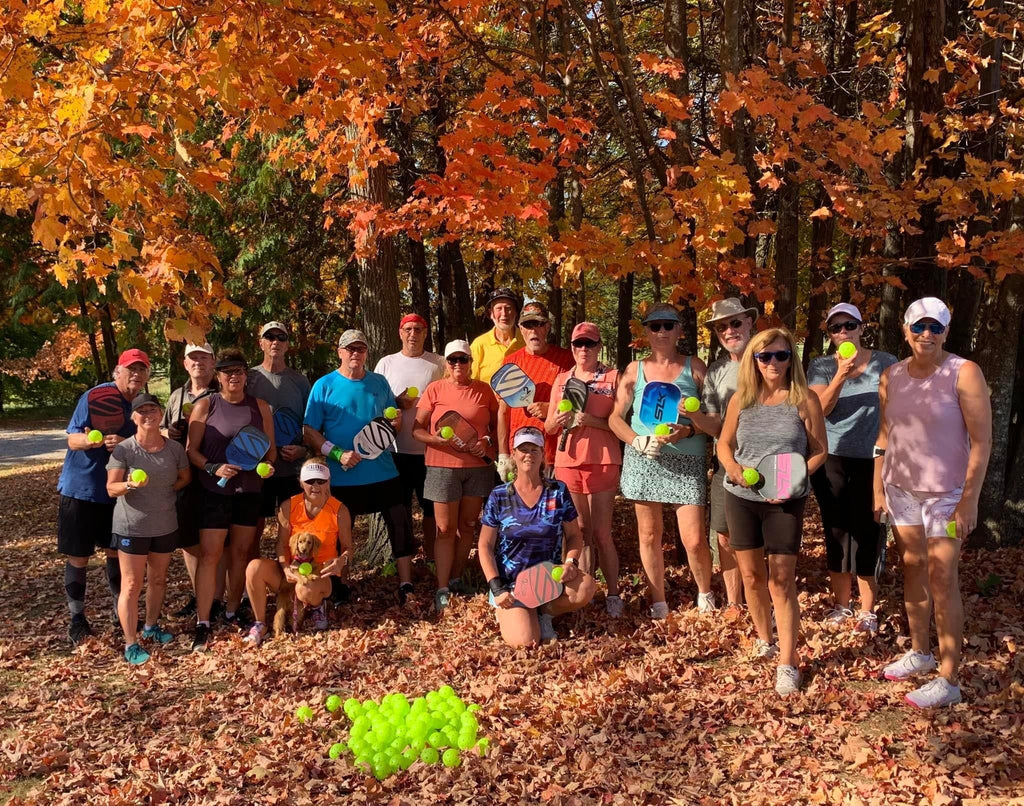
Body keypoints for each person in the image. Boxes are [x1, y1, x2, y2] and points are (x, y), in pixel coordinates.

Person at [874, 297, 991, 708]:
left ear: (946, 331)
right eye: (919, 327)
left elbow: (982, 440)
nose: (927, 335)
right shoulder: (891, 376)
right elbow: (885, 438)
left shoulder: (964, 373)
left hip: (948, 494)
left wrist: (969, 500)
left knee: (943, 577)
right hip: (901, 489)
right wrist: (878, 487)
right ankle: (920, 653)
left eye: (935, 328)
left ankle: (949, 678)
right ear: (906, 330)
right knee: (912, 568)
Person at [717, 328, 827, 697]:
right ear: (754, 361)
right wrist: (732, 470)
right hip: (741, 497)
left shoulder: (805, 399)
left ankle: (787, 661)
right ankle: (764, 639)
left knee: (781, 581)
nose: (773, 363)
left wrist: (793, 479)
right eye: (765, 357)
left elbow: (819, 451)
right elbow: (724, 445)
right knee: (751, 577)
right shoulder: (740, 400)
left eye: (781, 355)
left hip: (786, 501)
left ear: (791, 359)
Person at [609, 302, 713, 619]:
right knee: (649, 535)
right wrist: (636, 441)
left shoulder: (695, 367)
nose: (662, 331)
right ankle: (659, 602)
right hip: (645, 460)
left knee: (694, 539)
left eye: (669, 325)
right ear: (646, 333)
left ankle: (705, 595)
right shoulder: (633, 371)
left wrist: (690, 429)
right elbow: (615, 418)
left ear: (680, 330)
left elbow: (713, 419)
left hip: (687, 460)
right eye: (655, 326)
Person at [303, 329, 417, 604]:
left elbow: (391, 423)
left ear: (366, 353)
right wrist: (338, 453)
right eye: (350, 349)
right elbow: (309, 430)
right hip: (342, 477)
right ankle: (340, 587)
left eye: (360, 349)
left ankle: (406, 584)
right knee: (340, 535)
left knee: (400, 526)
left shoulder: (379, 382)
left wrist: (396, 423)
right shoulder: (324, 385)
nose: (355, 354)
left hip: (383, 471)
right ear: (340, 352)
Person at [808, 303, 897, 633]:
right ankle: (842, 606)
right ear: (829, 334)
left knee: (869, 531)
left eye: (849, 325)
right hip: (831, 458)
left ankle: (867, 611)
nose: (843, 332)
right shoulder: (821, 366)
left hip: (875, 460)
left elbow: (898, 409)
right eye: (835, 328)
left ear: (862, 328)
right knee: (836, 531)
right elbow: (818, 409)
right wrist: (841, 374)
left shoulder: (885, 362)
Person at [57, 348, 151, 645]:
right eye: (130, 369)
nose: (135, 374)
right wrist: (90, 440)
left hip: (116, 492)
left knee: (115, 553)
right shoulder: (95, 397)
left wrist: (124, 443)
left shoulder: (142, 406)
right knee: (79, 557)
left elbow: (147, 444)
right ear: (117, 373)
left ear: (148, 375)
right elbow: (72, 438)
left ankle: (117, 611)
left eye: (142, 369)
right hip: (81, 489)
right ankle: (77, 619)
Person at [186, 348, 276, 650]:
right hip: (213, 492)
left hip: (249, 492)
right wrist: (213, 467)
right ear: (219, 376)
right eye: (227, 372)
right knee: (210, 556)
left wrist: (266, 467)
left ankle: (232, 610)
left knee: (241, 554)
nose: (233, 376)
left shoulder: (260, 406)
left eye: (239, 370)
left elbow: (270, 451)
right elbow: (191, 452)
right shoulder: (205, 406)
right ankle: (203, 621)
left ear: (245, 375)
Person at [478, 427, 596, 646]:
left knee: (587, 587)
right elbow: (485, 545)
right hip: (510, 585)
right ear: (513, 454)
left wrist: (571, 562)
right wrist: (497, 587)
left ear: (543, 454)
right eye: (523, 449)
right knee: (526, 642)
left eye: (534, 449)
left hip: (549, 579)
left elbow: (574, 535)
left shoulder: (558, 490)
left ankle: (545, 614)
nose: (528, 454)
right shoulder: (499, 495)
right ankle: (508, 610)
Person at [543, 322, 623, 618]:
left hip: (603, 459)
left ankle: (613, 594)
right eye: (578, 344)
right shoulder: (562, 379)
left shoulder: (614, 377)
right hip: (567, 462)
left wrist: (587, 419)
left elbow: (619, 425)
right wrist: (559, 420)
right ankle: (583, 591)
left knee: (602, 533)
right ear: (572, 348)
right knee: (579, 532)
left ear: (599, 346)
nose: (583, 350)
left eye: (589, 344)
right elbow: (548, 427)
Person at [412, 339, 498, 612]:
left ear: (471, 362)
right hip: (441, 467)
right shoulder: (435, 389)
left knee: (470, 525)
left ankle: (457, 576)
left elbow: (496, 429)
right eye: (453, 360)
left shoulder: (484, 391)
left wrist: (485, 441)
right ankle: (442, 587)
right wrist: (436, 441)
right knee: (445, 529)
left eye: (463, 359)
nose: (458, 364)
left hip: (478, 469)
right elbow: (417, 429)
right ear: (446, 364)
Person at [106, 394, 190, 664]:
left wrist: (165, 492)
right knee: (131, 585)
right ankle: (131, 643)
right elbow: (111, 488)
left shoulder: (174, 449)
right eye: (141, 411)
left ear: (160, 413)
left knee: (158, 580)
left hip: (165, 524)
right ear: (134, 417)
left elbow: (184, 477)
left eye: (152, 409)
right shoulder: (124, 450)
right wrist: (130, 485)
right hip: (132, 527)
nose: (148, 414)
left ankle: (151, 627)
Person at [687, 298, 759, 611]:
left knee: (764, 538)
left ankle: (765, 598)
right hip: (727, 465)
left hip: (769, 465)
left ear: (749, 323)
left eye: (735, 323)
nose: (729, 331)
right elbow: (715, 425)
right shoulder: (716, 371)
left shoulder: (771, 359)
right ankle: (734, 602)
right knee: (725, 535)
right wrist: (693, 418)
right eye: (721, 328)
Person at [243, 459, 352, 645]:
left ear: (328, 482)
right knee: (254, 568)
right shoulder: (288, 506)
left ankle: (318, 606)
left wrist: (340, 562)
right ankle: (260, 623)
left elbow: (348, 548)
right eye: (310, 481)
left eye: (320, 481)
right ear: (301, 482)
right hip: (292, 569)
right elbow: (281, 544)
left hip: (321, 571)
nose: (315, 486)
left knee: (306, 587)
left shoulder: (339, 510)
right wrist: (285, 567)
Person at [374, 314, 446, 563]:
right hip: (395, 452)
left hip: (430, 451)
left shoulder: (439, 363)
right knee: (399, 510)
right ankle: (401, 561)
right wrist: (396, 403)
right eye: (408, 329)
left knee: (431, 510)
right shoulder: (386, 363)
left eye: (418, 329)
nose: (413, 334)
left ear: (426, 333)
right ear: (400, 333)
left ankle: (432, 558)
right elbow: (375, 403)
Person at [161, 341, 218, 618]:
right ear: (185, 364)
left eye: (204, 358)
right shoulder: (176, 396)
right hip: (183, 477)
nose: (198, 362)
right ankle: (199, 597)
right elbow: (160, 431)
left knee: (219, 542)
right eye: (193, 358)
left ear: (213, 362)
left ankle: (219, 599)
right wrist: (169, 433)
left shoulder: (222, 393)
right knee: (189, 541)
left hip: (214, 475)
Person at [495, 301, 573, 479]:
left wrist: (550, 409)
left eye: (538, 324)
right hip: (520, 454)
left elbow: (579, 403)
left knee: (553, 507)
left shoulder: (567, 359)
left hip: (555, 454)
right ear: (520, 329)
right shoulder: (511, 362)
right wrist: (503, 455)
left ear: (547, 327)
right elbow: (503, 411)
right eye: (528, 325)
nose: (533, 331)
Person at [247, 321, 312, 529]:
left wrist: (303, 450)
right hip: (257, 468)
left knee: (294, 529)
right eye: (270, 337)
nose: (275, 342)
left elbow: (310, 424)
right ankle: (254, 563)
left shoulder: (300, 381)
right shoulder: (248, 379)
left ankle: (290, 563)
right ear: (261, 344)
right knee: (252, 530)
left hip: (291, 468)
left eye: (281, 337)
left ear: (287, 345)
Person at [470, 287, 525, 384]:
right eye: (499, 309)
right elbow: (470, 383)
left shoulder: (526, 341)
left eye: (508, 308)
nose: (504, 314)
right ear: (491, 314)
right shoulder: (479, 345)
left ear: (516, 312)